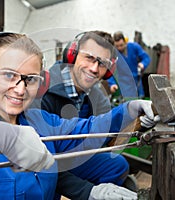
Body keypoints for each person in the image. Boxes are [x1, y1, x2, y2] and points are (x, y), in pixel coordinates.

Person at [0, 32, 157, 199]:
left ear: (41, 84)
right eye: (9, 75)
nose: (19, 89)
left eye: (30, 79)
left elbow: (86, 128)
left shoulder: (42, 123)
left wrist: (129, 111)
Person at [32, 30, 136, 199]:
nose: (94, 69)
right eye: (89, 57)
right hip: (43, 162)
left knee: (116, 165)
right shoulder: (42, 91)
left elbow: (107, 128)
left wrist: (135, 118)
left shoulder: (96, 95)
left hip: (71, 157)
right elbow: (40, 162)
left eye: (102, 63)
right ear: (72, 55)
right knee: (47, 187)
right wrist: (87, 191)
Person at [107, 31, 151, 98]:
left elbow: (146, 58)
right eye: (117, 46)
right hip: (123, 84)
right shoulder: (113, 54)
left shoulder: (134, 47)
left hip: (137, 81)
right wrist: (112, 84)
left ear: (125, 42)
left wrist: (143, 64)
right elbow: (109, 71)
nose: (119, 48)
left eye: (121, 45)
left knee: (140, 100)